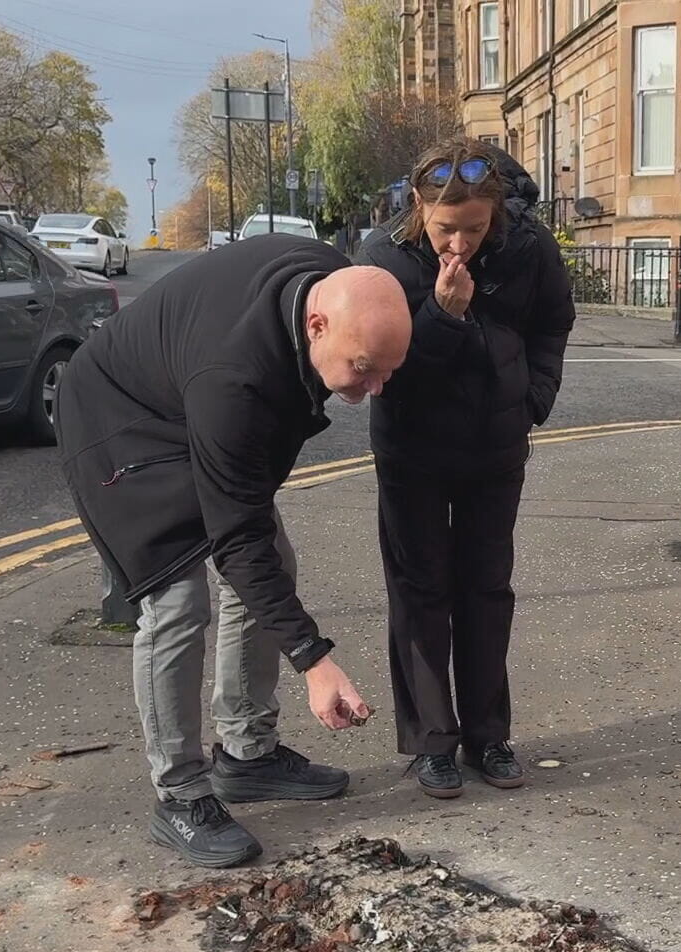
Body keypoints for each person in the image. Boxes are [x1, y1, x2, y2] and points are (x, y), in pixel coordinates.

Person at [57, 234, 411, 867]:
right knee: (175, 602)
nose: (378, 387)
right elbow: (237, 539)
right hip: (116, 418)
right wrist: (315, 661)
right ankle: (180, 796)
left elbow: (248, 525)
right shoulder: (235, 381)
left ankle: (248, 754)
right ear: (316, 323)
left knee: (275, 562)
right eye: (365, 367)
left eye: (387, 369)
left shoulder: (333, 286)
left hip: (184, 390)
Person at [356, 138, 575, 798]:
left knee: (486, 591)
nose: (459, 244)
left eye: (474, 229)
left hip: (495, 448)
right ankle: (433, 742)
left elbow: (552, 323)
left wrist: (533, 400)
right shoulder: (384, 258)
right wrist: (442, 315)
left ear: (496, 217)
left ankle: (487, 735)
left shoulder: (527, 249)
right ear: (420, 208)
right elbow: (379, 369)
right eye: (446, 228)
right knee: (422, 595)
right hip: (412, 450)